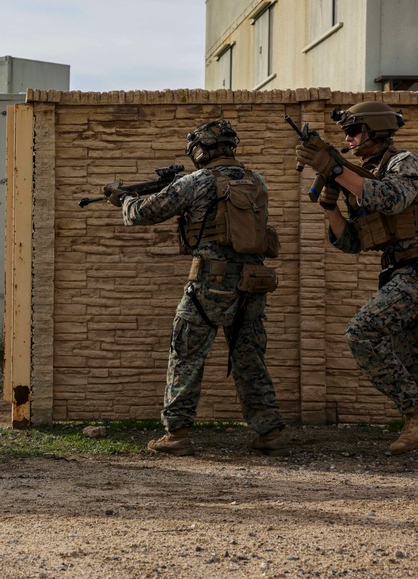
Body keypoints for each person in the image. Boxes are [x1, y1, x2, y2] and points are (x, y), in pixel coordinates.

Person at [104, 120, 288, 456]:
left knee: (186, 355)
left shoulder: (198, 181)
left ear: (201, 150)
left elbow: (145, 213)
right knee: (249, 358)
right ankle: (270, 431)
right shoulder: (256, 180)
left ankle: (177, 434)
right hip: (252, 283)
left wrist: (125, 200)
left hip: (210, 285)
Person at [295, 101, 418, 455]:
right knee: (411, 360)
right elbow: (351, 242)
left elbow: (393, 199)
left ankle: (414, 413)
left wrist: (336, 170)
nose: (348, 138)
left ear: (375, 131)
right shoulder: (360, 174)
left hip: (414, 272)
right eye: (345, 133)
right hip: (398, 272)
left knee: (362, 333)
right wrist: (331, 208)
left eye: (353, 131)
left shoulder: (402, 162)